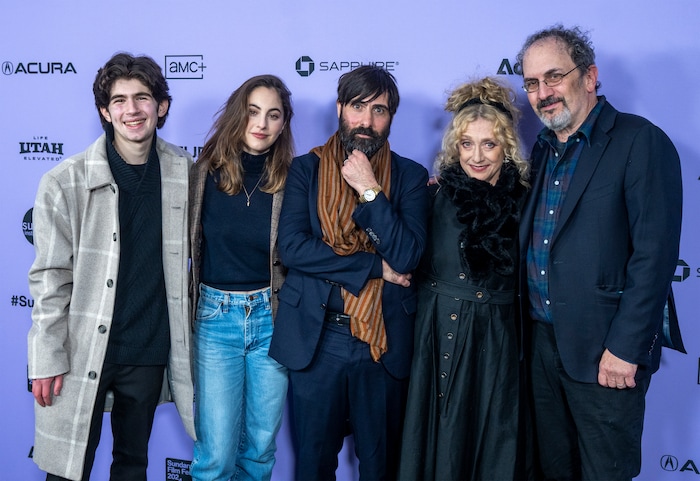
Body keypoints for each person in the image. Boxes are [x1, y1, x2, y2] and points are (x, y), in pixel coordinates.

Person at [516, 25, 683, 480]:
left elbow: (654, 256)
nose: (543, 93)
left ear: (589, 77)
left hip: (605, 354)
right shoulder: (543, 149)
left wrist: (625, 348)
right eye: (531, 83)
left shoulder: (639, 141)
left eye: (554, 76)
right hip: (543, 348)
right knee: (553, 471)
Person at [27, 53, 195, 481]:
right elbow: (49, 278)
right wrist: (45, 357)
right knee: (66, 471)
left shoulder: (184, 172)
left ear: (162, 106)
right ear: (105, 111)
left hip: (148, 347)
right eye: (119, 100)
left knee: (132, 466)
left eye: (142, 98)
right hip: (83, 347)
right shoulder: (64, 181)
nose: (132, 110)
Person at [268, 65, 430, 480]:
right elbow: (294, 249)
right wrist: (376, 266)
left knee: (380, 466)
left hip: (383, 342)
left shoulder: (411, 177)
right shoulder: (305, 169)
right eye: (357, 107)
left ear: (391, 117)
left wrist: (369, 188)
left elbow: (407, 255)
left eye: (379, 110)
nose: (366, 121)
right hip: (318, 338)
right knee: (313, 465)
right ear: (340, 108)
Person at [399, 77, 530, 481]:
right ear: (455, 146)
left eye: (489, 144)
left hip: (498, 342)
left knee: (493, 443)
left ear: (506, 147)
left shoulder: (527, 200)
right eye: (467, 143)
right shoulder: (432, 196)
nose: (477, 156)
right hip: (434, 334)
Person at [188, 75, 294, 481]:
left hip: (272, 318)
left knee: (260, 451)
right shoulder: (201, 176)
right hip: (216, 320)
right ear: (238, 114)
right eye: (253, 112)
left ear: (284, 124)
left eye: (273, 115)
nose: (262, 124)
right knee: (215, 455)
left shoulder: (294, 180)